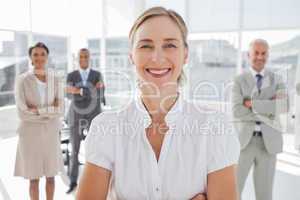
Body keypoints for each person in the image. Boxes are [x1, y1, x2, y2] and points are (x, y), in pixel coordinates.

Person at [76, 7, 239, 200]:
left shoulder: (214, 128)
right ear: (131, 56)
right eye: (146, 46)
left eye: (169, 45)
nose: (158, 57)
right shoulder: (106, 127)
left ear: (185, 54)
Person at [231, 39, 289, 200]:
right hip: (244, 143)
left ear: (268, 55)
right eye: (256, 53)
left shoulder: (277, 79)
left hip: (269, 144)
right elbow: (237, 111)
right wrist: (270, 106)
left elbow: (284, 106)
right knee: (233, 192)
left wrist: (252, 104)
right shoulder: (239, 80)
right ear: (248, 55)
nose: (260, 57)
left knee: (265, 195)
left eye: (263, 53)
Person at [14, 42, 64, 200]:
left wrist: (37, 110)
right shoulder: (22, 80)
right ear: (30, 58)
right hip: (29, 135)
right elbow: (23, 113)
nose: (39, 57)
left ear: (47, 57)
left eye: (42, 54)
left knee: (51, 177)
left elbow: (61, 109)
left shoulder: (56, 79)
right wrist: (50, 111)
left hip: (50, 134)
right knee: (33, 179)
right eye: (35, 54)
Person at [66, 48, 106, 193]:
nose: (83, 58)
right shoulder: (71, 75)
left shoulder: (97, 74)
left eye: (86, 56)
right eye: (81, 56)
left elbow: (101, 94)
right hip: (76, 116)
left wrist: (79, 91)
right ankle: (72, 181)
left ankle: (94, 182)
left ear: (89, 58)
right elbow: (69, 95)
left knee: (95, 150)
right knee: (74, 150)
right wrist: (90, 91)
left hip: (94, 116)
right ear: (77, 58)